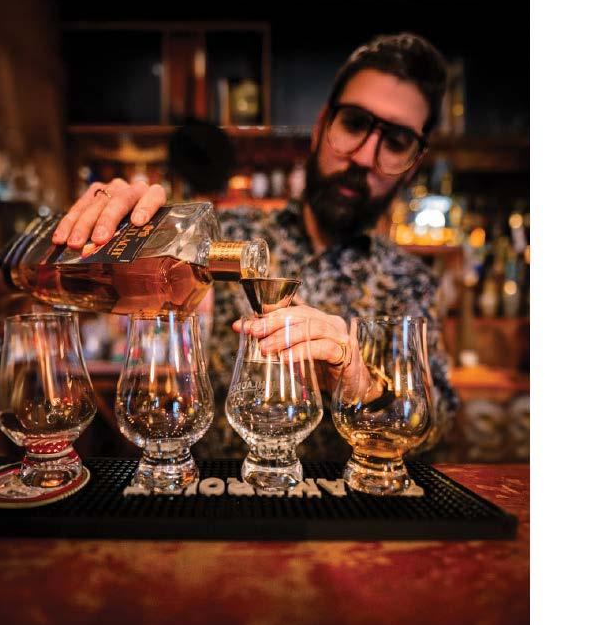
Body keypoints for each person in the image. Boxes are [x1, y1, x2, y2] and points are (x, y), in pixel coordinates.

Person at [52, 33, 458, 460]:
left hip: (344, 496)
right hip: (217, 491)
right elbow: (121, 290)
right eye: (355, 124)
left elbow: (438, 422)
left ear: (413, 165)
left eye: (396, 142)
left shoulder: (411, 282)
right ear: (321, 126)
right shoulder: (227, 234)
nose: (363, 157)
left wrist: (361, 384)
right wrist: (120, 233)